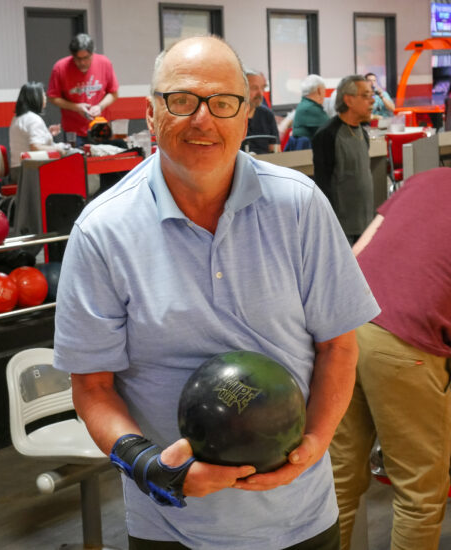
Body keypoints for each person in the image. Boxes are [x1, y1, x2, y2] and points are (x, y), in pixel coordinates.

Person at [53, 35, 380, 550]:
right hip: (170, 526)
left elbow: (338, 345)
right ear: (150, 112)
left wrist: (314, 444)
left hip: (300, 518)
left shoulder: (299, 207)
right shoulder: (103, 230)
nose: (202, 119)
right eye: (181, 100)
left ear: (247, 114)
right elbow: (92, 387)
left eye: (223, 102)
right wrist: (150, 466)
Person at [330, 121, 451, 550]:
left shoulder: (431, 179)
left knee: (339, 480)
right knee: (419, 493)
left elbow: (357, 253)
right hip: (404, 347)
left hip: (339, 327)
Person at [311, 75, 375, 244]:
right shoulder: (328, 135)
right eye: (366, 95)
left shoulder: (363, 132)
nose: (372, 101)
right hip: (341, 229)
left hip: (365, 224)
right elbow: (322, 185)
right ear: (348, 100)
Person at [47, 33, 119, 146]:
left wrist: (100, 106)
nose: (82, 63)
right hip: (74, 131)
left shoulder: (104, 63)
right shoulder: (60, 68)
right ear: (72, 55)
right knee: (78, 162)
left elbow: (113, 93)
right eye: (78, 59)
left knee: (102, 162)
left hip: (100, 127)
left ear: (92, 53)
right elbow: (53, 97)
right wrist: (76, 107)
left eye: (86, 58)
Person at [8, 82, 69, 181]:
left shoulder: (17, 118)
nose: (45, 97)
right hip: (29, 173)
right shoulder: (33, 119)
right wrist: (58, 149)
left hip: (17, 171)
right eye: (43, 95)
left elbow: (28, 142)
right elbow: (35, 147)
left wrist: (47, 134)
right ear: (36, 98)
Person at [243, 69, 281, 154]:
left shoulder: (267, 115)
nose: (260, 93)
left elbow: (276, 152)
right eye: (254, 88)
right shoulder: (232, 116)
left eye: (262, 88)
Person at [290, 74, 329, 145]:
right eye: (324, 90)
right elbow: (332, 130)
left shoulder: (304, 105)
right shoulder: (310, 109)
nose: (325, 94)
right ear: (319, 90)